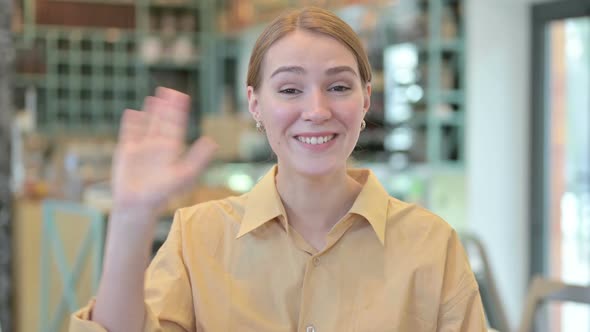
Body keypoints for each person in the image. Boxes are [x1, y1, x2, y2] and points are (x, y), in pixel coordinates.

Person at [70, 6, 487, 332]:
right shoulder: (196, 238)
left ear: (365, 100)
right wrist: (131, 217)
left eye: (339, 87)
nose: (317, 110)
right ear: (255, 103)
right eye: (290, 89)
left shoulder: (432, 244)